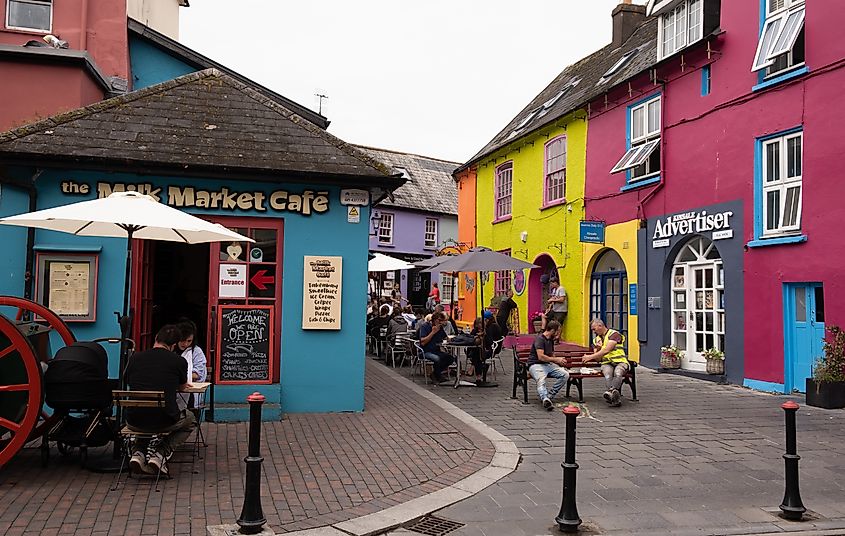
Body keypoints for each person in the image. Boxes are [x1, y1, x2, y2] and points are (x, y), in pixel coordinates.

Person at [124, 325, 196, 476]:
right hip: (165, 420)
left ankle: (138, 452)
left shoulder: (135, 358)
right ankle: (160, 453)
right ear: (173, 345)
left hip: (133, 419)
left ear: (156, 338)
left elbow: (128, 381)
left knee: (145, 412)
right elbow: (182, 387)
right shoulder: (178, 361)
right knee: (191, 419)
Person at [583, 319, 629, 407]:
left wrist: (589, 357)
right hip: (606, 362)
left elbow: (607, 349)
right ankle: (615, 397)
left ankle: (610, 392)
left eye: (594, 329)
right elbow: (598, 359)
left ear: (600, 326)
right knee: (608, 375)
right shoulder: (596, 340)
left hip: (620, 361)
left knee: (618, 372)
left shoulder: (614, 334)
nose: (594, 332)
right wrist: (598, 349)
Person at [528, 320, 570, 410]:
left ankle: (550, 395)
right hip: (536, 364)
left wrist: (559, 362)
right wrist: (556, 359)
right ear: (553, 330)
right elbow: (541, 357)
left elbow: (551, 355)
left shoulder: (550, 340)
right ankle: (545, 398)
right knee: (541, 379)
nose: (558, 334)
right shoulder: (540, 339)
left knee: (565, 374)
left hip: (548, 365)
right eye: (558, 331)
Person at [176, 320, 208, 411]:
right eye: (182, 340)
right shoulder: (172, 350)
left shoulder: (196, 352)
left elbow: (198, 374)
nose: (185, 344)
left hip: (190, 392)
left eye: (189, 341)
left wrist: (177, 376)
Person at [467, 313, 503, 386]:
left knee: (477, 354)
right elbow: (470, 340)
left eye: (481, 324)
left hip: (487, 350)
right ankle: (479, 375)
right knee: (477, 353)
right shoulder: (474, 331)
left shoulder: (488, 330)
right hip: (476, 350)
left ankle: (475, 371)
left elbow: (490, 342)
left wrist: (484, 336)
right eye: (478, 324)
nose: (479, 326)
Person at [418, 311, 454, 383]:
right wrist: (433, 332)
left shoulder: (440, 328)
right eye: (439, 320)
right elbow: (423, 342)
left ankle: (435, 373)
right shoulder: (425, 326)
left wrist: (450, 339)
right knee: (437, 359)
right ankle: (438, 375)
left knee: (450, 358)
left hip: (436, 350)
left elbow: (445, 338)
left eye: (442, 320)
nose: (441, 322)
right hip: (425, 351)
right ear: (434, 320)